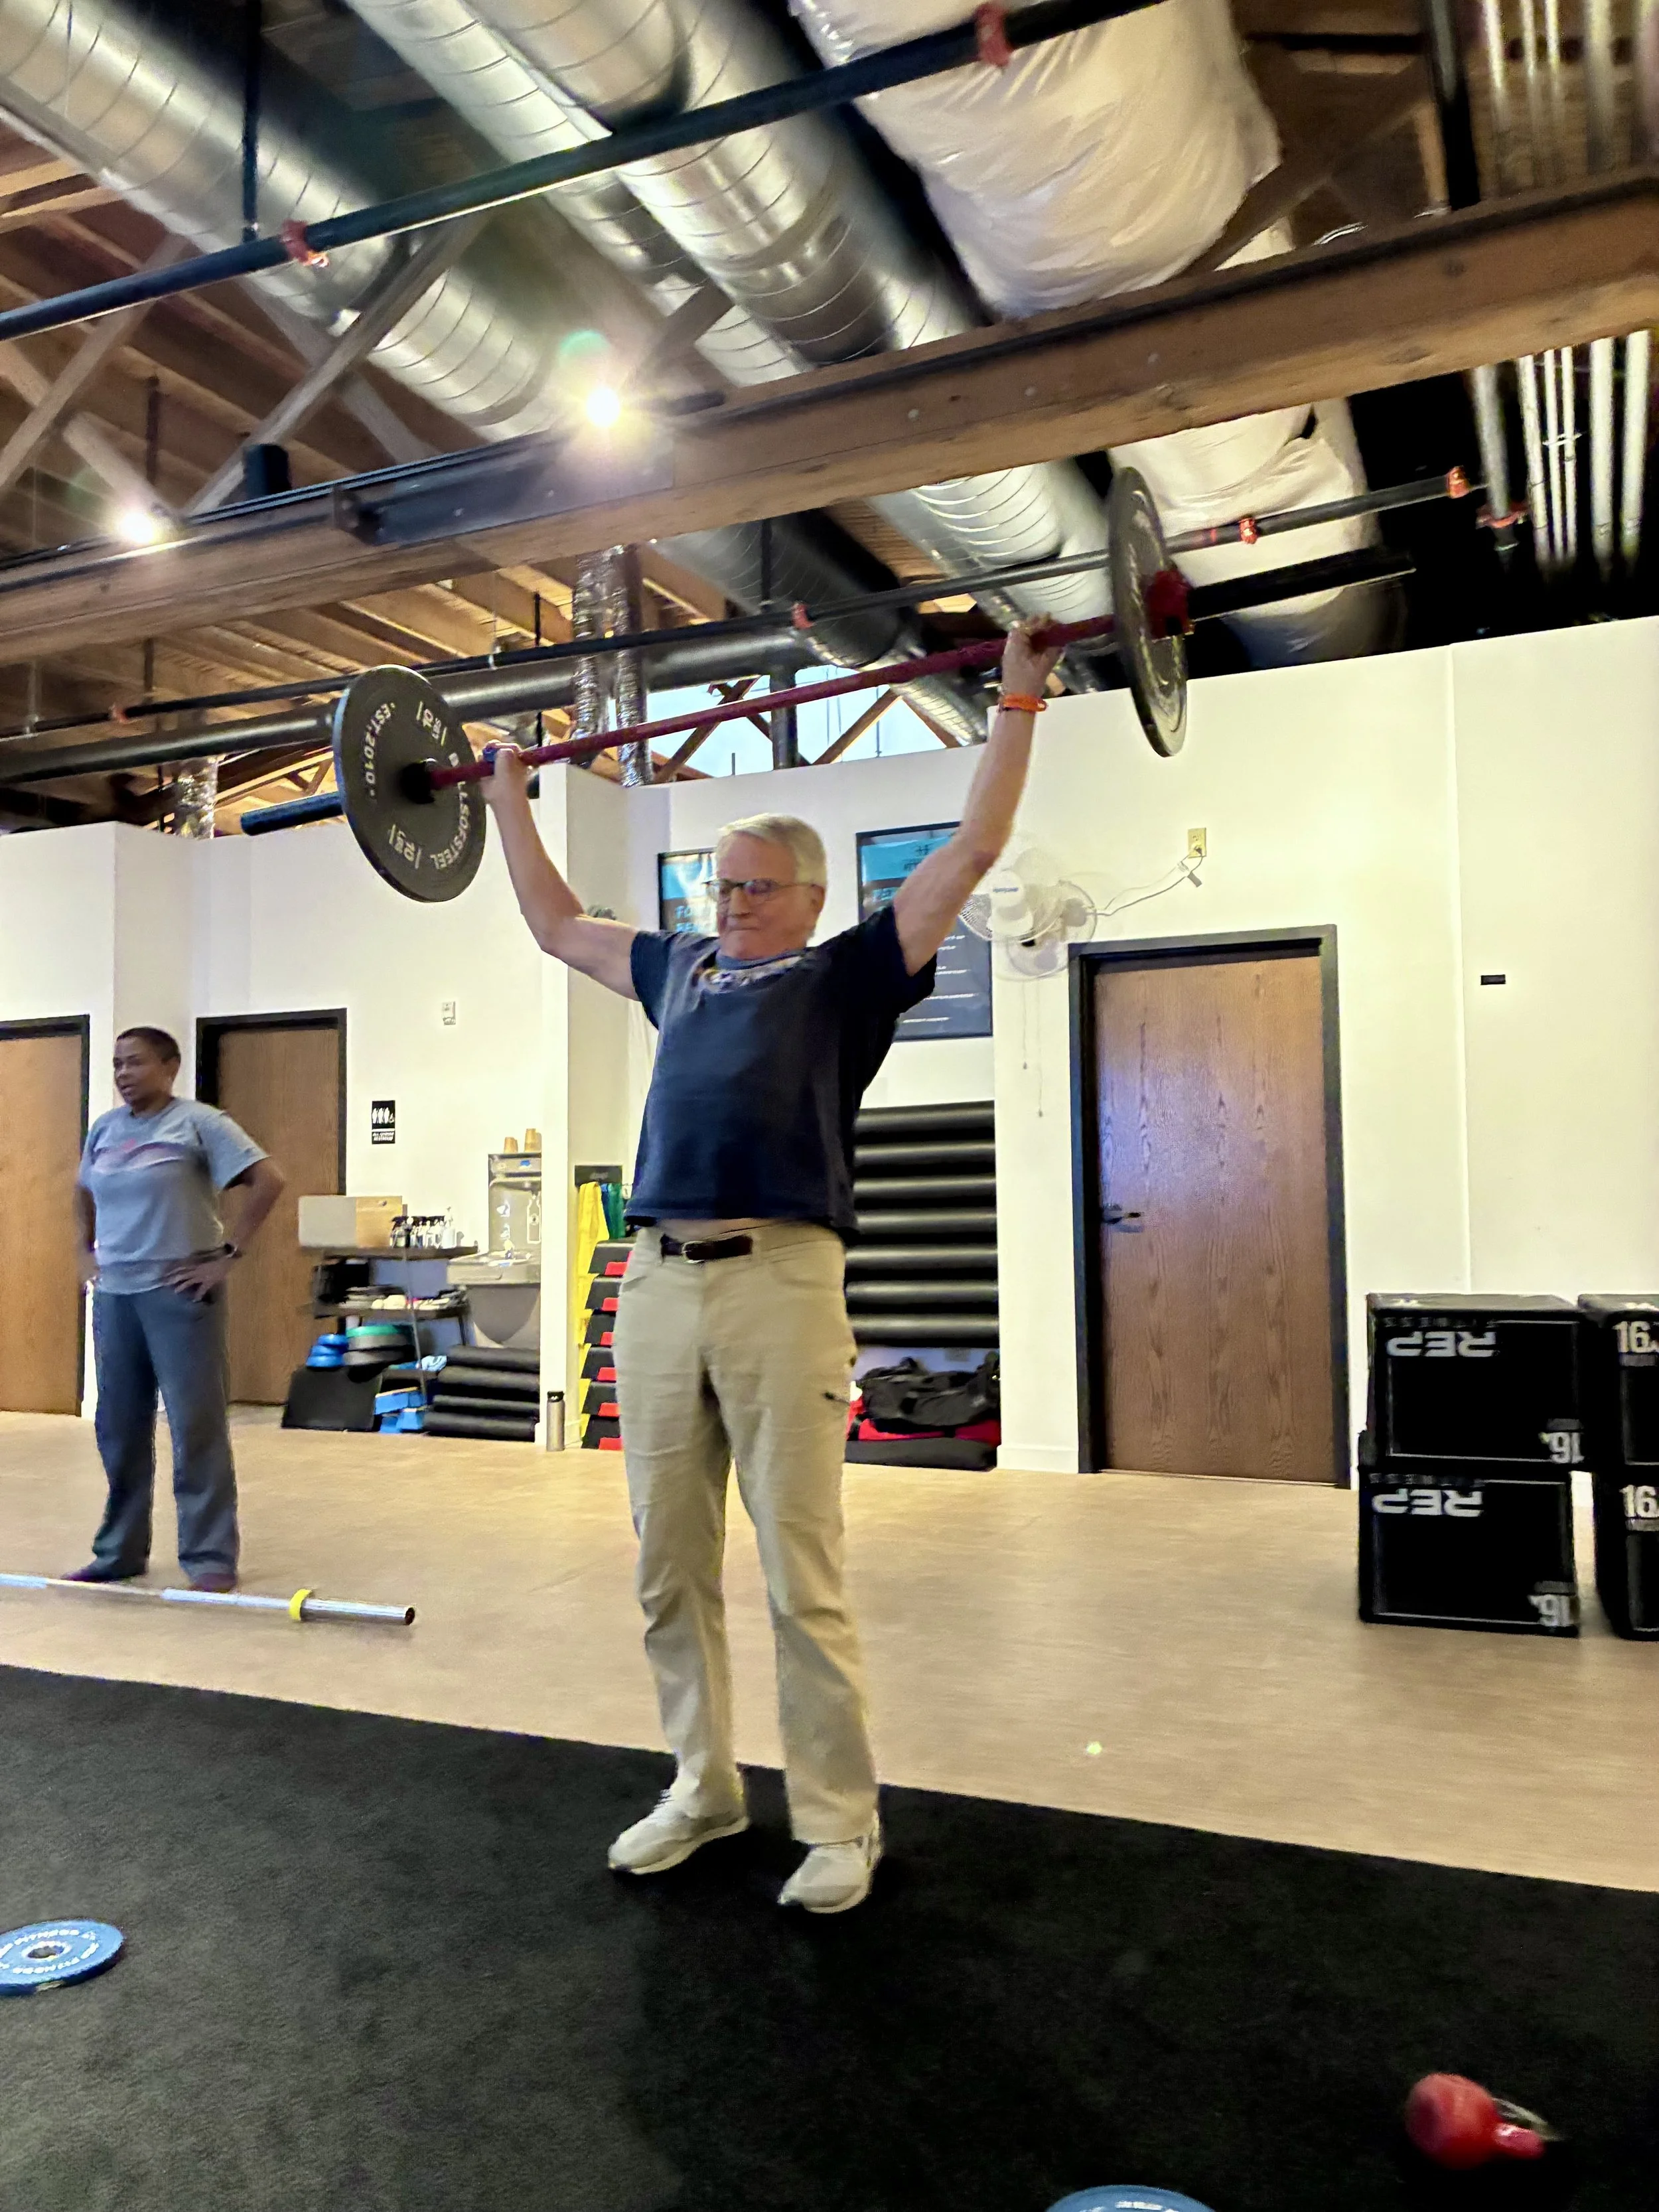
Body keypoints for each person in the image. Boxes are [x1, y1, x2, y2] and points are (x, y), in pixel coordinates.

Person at [484, 618, 1062, 1914]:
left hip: (780, 1280)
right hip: (655, 1279)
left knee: (800, 1567)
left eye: (751, 888)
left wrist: (1013, 701)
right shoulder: (675, 965)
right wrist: (510, 795)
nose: (729, 905)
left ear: (807, 895)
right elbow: (547, 918)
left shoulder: (847, 972)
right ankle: (701, 1784)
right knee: (663, 1561)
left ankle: (840, 1821)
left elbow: (969, 849)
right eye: (719, 886)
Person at [70, 1027, 285, 1593]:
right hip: (116, 1295)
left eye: (135, 1063)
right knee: (118, 1426)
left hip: (181, 1293)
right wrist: (83, 1250)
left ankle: (210, 1554)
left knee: (196, 1425)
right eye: (116, 1064)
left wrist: (227, 1256)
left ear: (170, 1066)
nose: (123, 1074)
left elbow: (269, 1179)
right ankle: (118, 1551)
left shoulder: (199, 1122)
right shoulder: (105, 1130)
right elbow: (84, 1190)